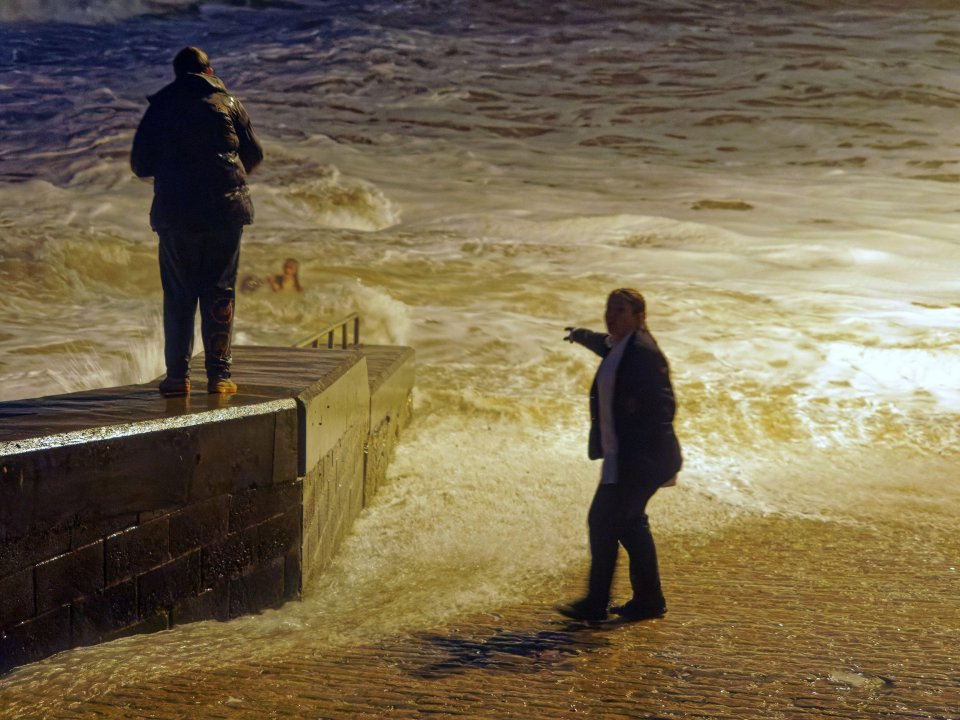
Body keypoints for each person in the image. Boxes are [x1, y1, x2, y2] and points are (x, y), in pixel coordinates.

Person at [131, 46, 263, 396]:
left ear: (176, 75)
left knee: (179, 294)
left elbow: (140, 165)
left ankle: (178, 378)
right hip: (226, 211)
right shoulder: (228, 103)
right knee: (220, 289)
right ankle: (219, 378)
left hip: (176, 214)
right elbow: (255, 153)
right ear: (209, 70)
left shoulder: (160, 108)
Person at [557, 288, 682, 622]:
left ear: (639, 317)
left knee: (603, 520)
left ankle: (596, 604)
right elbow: (604, 343)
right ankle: (648, 601)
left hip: (641, 460)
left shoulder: (642, 352)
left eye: (620, 311)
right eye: (609, 309)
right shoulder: (622, 344)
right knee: (628, 523)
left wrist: (642, 450)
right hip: (627, 458)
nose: (611, 316)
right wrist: (579, 335)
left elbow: (664, 406)